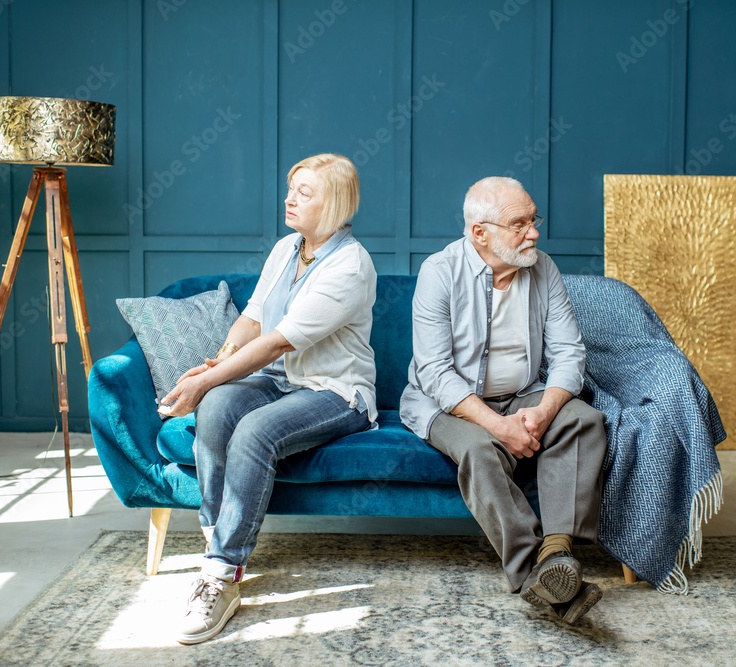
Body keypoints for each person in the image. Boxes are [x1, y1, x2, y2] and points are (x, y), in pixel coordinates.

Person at [157, 153, 378, 644]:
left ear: (336, 202)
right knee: (216, 409)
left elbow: (279, 339)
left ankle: (220, 574)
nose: (289, 198)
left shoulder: (351, 265)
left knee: (254, 431)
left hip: (335, 390)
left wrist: (203, 381)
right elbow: (255, 318)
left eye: (305, 191)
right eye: (289, 188)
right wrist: (218, 363)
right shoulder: (285, 248)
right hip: (275, 379)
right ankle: (219, 543)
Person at [400, 176, 607, 623]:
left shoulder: (543, 268)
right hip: (447, 403)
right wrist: (500, 428)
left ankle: (557, 552)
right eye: (519, 223)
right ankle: (536, 571)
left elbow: (569, 352)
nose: (533, 232)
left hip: (524, 395)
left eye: (534, 220)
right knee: (479, 449)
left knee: (585, 420)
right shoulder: (440, 272)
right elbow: (435, 372)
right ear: (481, 232)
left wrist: (545, 409)